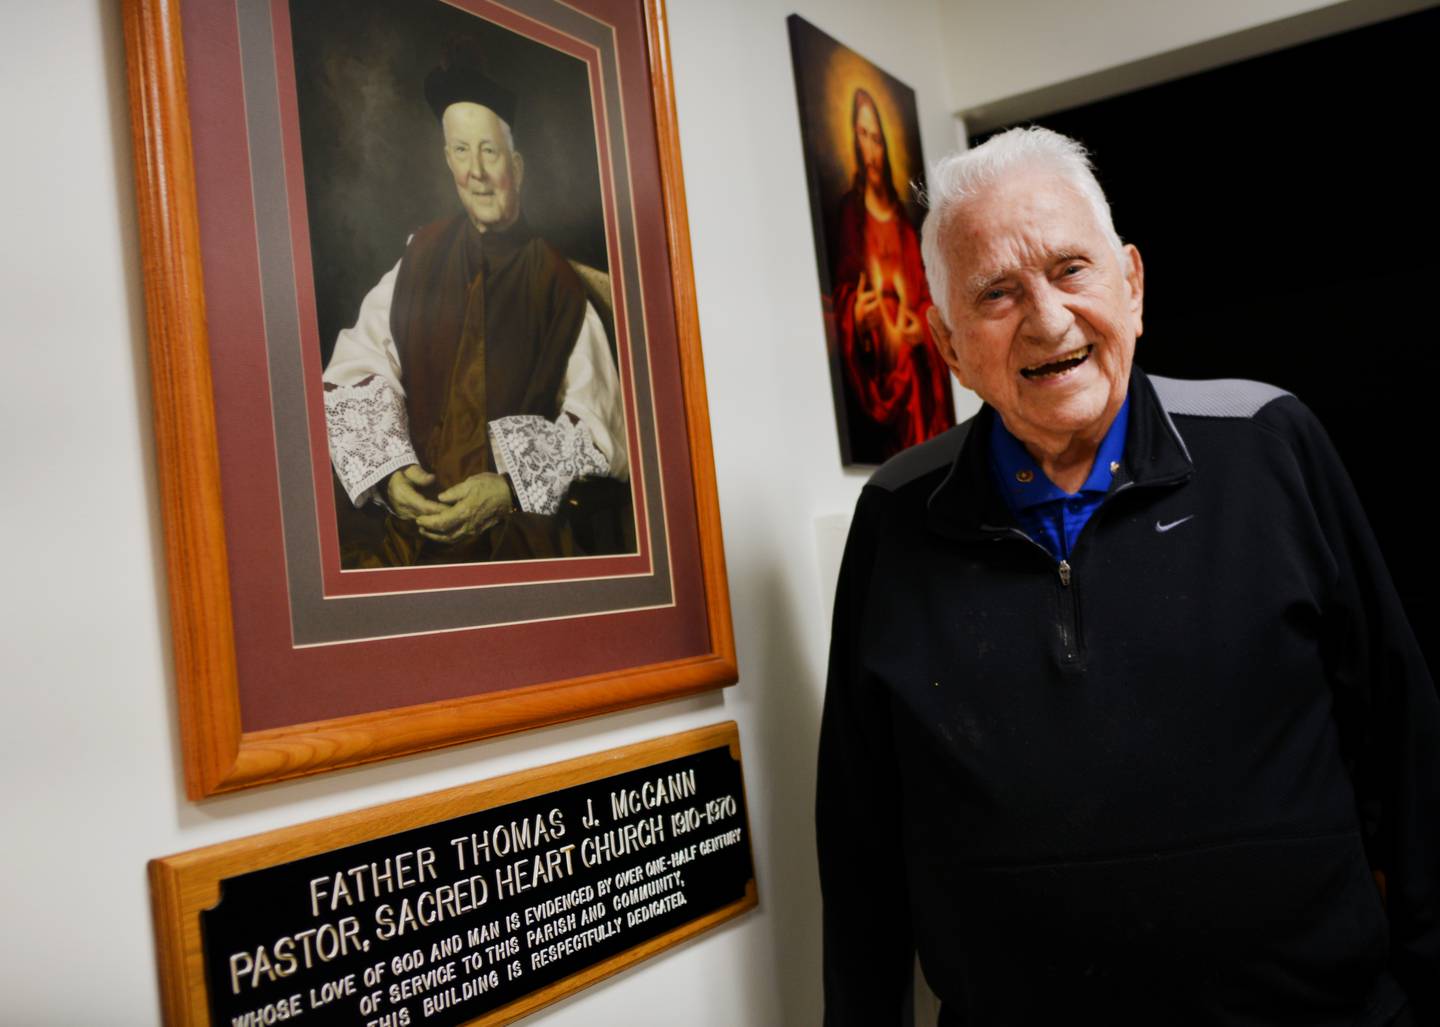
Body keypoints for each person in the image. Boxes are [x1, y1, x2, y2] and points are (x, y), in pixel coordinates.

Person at [816, 126, 1438, 1025]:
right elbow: (861, 839)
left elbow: (1405, 740)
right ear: (948, 344)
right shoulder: (896, 515)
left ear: (1132, 285)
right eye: (996, 292)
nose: (1046, 318)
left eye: (1071, 269)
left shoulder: (1271, 441)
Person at [322, 39, 628, 567]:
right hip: (409, 531)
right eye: (461, 152)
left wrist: (507, 491)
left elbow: (601, 434)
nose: (476, 173)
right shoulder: (421, 257)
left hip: (514, 539)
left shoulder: (556, 282)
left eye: (488, 152)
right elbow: (358, 366)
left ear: (518, 165)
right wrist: (390, 476)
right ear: (447, 160)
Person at [830, 89, 953, 463]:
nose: (870, 150)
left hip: (914, 383)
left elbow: (923, 295)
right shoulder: (849, 216)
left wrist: (917, 325)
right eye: (861, 137)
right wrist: (854, 313)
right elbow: (842, 292)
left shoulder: (904, 222)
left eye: (876, 139)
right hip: (875, 371)